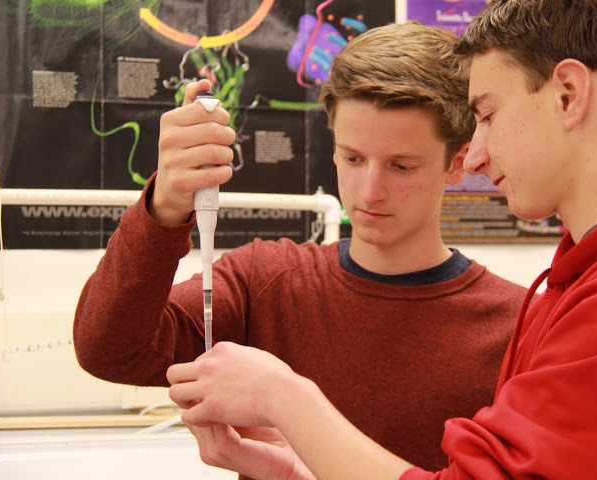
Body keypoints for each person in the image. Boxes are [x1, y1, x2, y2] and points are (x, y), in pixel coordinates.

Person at [166, 0, 597, 479]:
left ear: (568, 95)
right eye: (353, 158)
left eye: (488, 115)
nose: (475, 154)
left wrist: (285, 398)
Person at [73, 21, 530, 474]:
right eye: (352, 158)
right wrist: (166, 205)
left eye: (401, 166)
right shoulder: (264, 282)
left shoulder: (516, 325)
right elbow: (110, 350)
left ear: (457, 162)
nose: (369, 191)